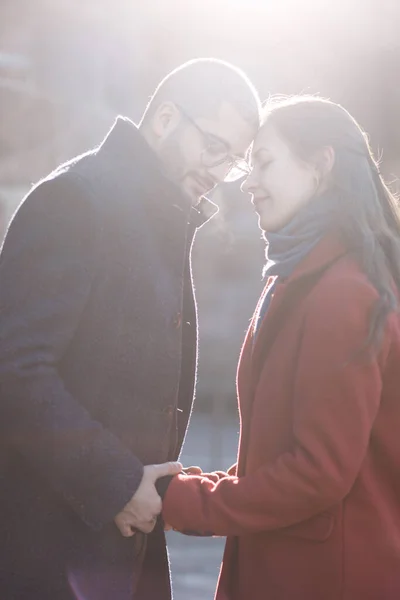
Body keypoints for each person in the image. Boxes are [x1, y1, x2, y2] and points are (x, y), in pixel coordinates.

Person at [0, 58, 260, 600]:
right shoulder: (77, 200)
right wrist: (117, 484)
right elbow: (15, 370)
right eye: (214, 146)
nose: (220, 170)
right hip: (49, 550)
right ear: (166, 119)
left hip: (117, 550)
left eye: (233, 160)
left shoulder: (156, 212)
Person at [162, 96, 400, 600]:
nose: (248, 182)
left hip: (325, 580)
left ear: (321, 166)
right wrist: (190, 486)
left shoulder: (342, 295)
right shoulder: (300, 280)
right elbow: (281, 455)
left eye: (265, 162)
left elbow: (316, 473)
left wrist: (180, 502)